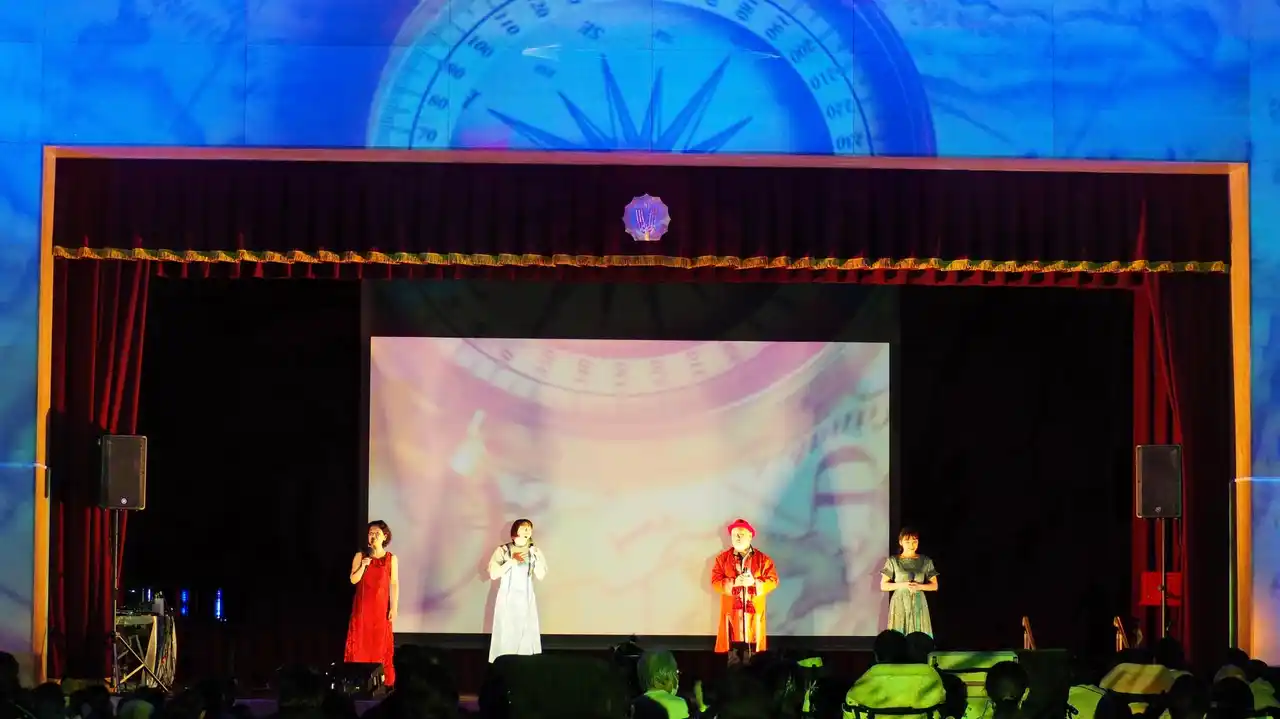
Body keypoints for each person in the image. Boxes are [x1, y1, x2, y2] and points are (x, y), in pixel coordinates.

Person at [711, 518, 779, 653]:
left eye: (741, 534)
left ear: (750, 536)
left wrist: (754, 582)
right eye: (734, 534)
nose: (737, 537)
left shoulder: (763, 560)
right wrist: (734, 583)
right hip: (732, 619)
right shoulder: (722, 559)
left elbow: (773, 581)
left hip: (754, 620)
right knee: (733, 658)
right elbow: (715, 582)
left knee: (756, 660)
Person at [345, 520, 399, 686]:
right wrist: (363, 566)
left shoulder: (391, 559)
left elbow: (394, 583)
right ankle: (358, 682)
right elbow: (353, 579)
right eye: (370, 533)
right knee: (360, 645)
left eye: (377, 533)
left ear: (385, 536)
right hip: (362, 611)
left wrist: (394, 607)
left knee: (379, 646)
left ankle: (379, 684)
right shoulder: (361, 556)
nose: (373, 536)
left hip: (380, 611)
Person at [487, 518, 547, 663]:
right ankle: (504, 661)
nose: (527, 531)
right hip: (508, 596)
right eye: (524, 528)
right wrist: (511, 562)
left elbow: (541, 575)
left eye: (529, 529)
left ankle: (525, 661)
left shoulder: (534, 551)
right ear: (516, 531)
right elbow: (493, 573)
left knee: (526, 629)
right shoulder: (503, 550)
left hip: (525, 596)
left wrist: (537, 558)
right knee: (507, 628)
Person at [881, 527, 938, 637]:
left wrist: (919, 586)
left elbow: (934, 585)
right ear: (901, 542)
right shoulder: (893, 560)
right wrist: (903, 585)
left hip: (918, 601)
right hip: (900, 601)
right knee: (898, 634)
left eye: (914, 541)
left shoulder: (925, 561)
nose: (911, 545)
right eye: (907, 542)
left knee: (918, 633)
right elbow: (884, 585)